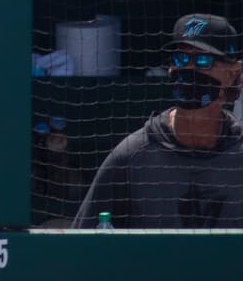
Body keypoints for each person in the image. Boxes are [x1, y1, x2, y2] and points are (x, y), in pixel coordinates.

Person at [73, 13, 243, 229]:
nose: (188, 69)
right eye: (180, 59)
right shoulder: (132, 155)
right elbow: (83, 239)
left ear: (232, 74)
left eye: (202, 60)